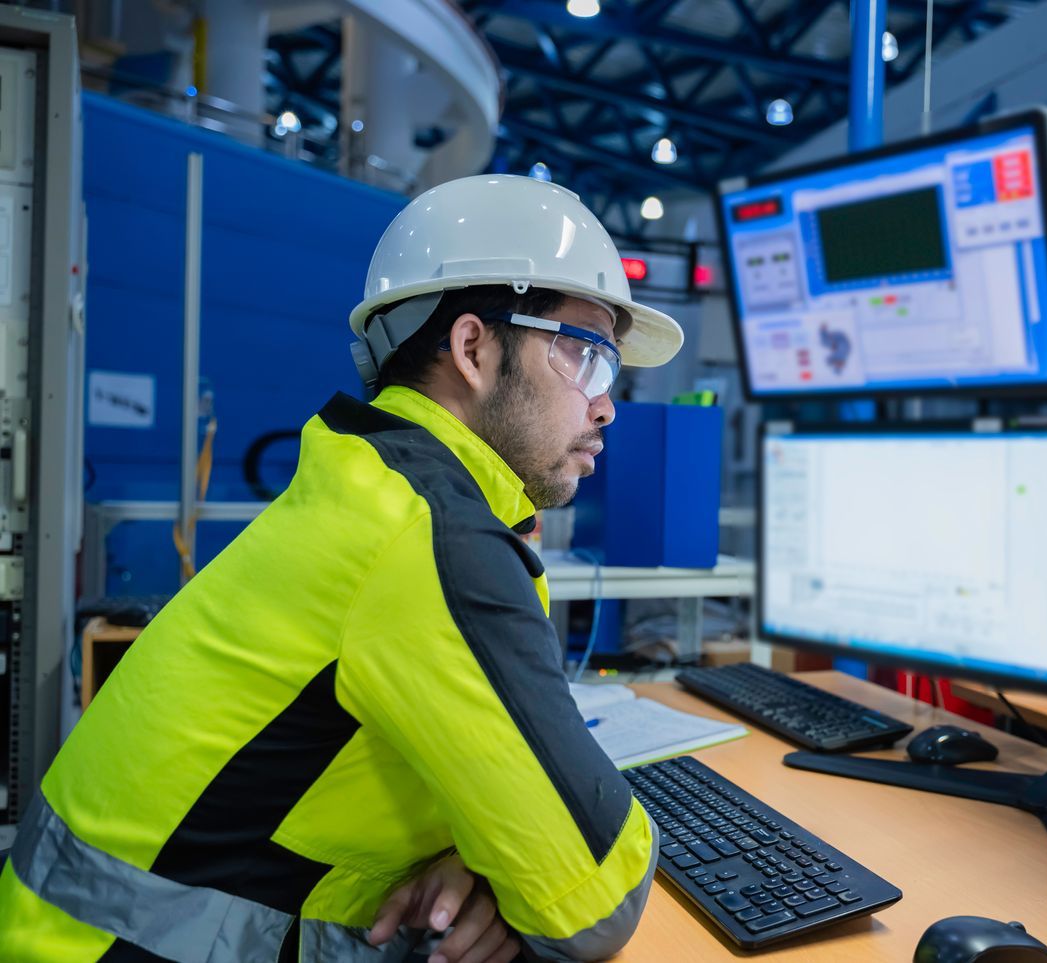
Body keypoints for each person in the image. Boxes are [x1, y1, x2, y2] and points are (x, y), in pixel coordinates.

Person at [0, 175, 683, 962]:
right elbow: (593, 903)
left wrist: (480, 859)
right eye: (585, 355)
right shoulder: (425, 533)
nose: (607, 406)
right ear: (471, 348)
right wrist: (524, 868)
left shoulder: (367, 486)